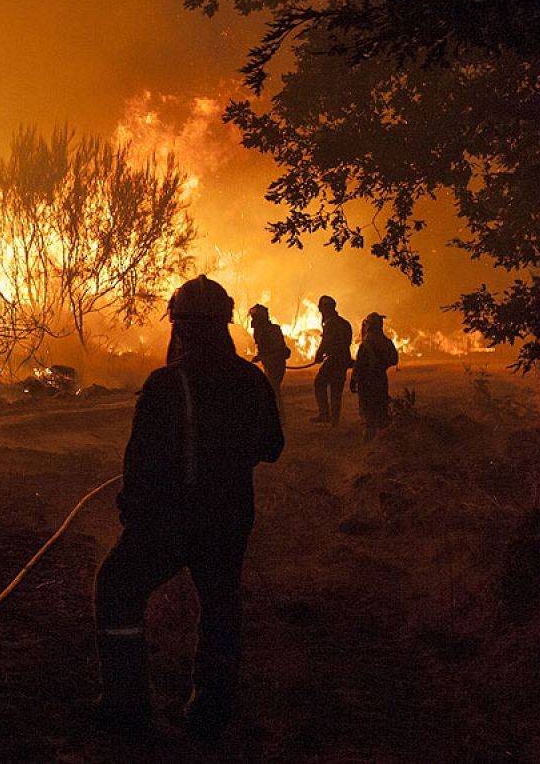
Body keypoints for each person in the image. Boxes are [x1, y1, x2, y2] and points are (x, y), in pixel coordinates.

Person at [94, 276, 284, 740]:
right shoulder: (251, 379)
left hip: (172, 517)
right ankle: (212, 712)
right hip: (230, 516)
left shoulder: (166, 383)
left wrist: (135, 511)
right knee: (220, 606)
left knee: (117, 588)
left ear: (179, 325)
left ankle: (126, 705)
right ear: (225, 322)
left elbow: (141, 459)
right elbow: (272, 447)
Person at [351, 312, 399, 439]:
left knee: (367, 407)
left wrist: (354, 379)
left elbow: (359, 364)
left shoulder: (366, 343)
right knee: (381, 404)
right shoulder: (386, 342)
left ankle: (370, 435)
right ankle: (384, 436)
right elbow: (394, 359)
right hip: (381, 378)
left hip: (366, 381)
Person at [310, 295, 353, 425]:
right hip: (343, 360)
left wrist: (319, 354)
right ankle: (334, 419)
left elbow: (326, 342)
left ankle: (324, 414)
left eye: (321, 308)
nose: (320, 311)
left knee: (319, 383)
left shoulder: (331, 324)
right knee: (336, 389)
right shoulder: (344, 323)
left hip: (334, 360)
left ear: (326, 308)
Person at [247, 304, 290, 418]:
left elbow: (278, 348)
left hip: (276, 363)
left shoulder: (273, 330)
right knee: (272, 389)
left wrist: (263, 356)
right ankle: (276, 414)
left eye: (255, 317)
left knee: (273, 389)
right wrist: (260, 356)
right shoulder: (260, 330)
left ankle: (278, 415)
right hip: (269, 363)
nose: (253, 321)